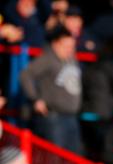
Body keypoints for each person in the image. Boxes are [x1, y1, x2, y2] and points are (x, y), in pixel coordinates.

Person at [20, 25, 82, 154]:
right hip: (54, 117)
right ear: (55, 44)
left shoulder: (71, 59)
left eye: (72, 46)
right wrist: (35, 99)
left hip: (71, 116)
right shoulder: (47, 59)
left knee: (74, 157)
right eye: (66, 46)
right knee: (54, 157)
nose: (70, 50)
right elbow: (26, 75)